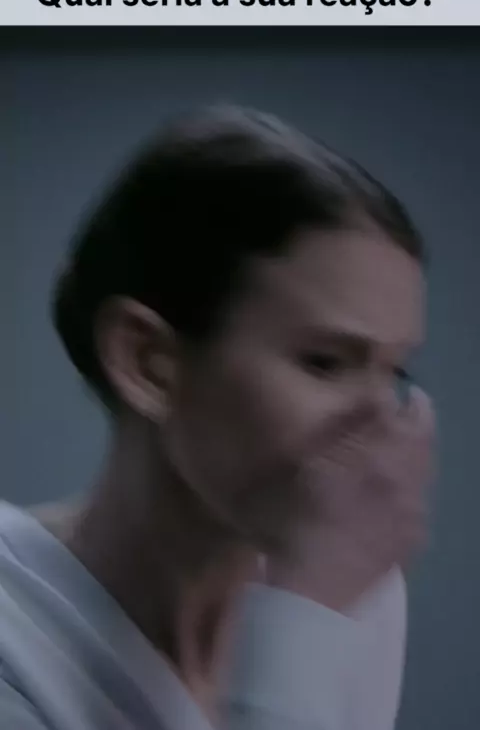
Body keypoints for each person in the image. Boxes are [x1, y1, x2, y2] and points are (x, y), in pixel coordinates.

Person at [0, 105, 435, 730]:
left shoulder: (358, 593)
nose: (383, 423)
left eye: (394, 373)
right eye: (325, 362)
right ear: (147, 363)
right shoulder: (14, 635)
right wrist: (305, 616)